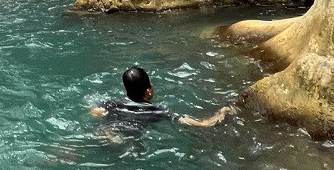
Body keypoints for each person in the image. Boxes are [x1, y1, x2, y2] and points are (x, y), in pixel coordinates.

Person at [91, 65, 237, 129]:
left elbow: (95, 112)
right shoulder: (156, 111)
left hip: (114, 129)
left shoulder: (112, 103)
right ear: (148, 92)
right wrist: (222, 113)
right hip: (130, 140)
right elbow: (198, 124)